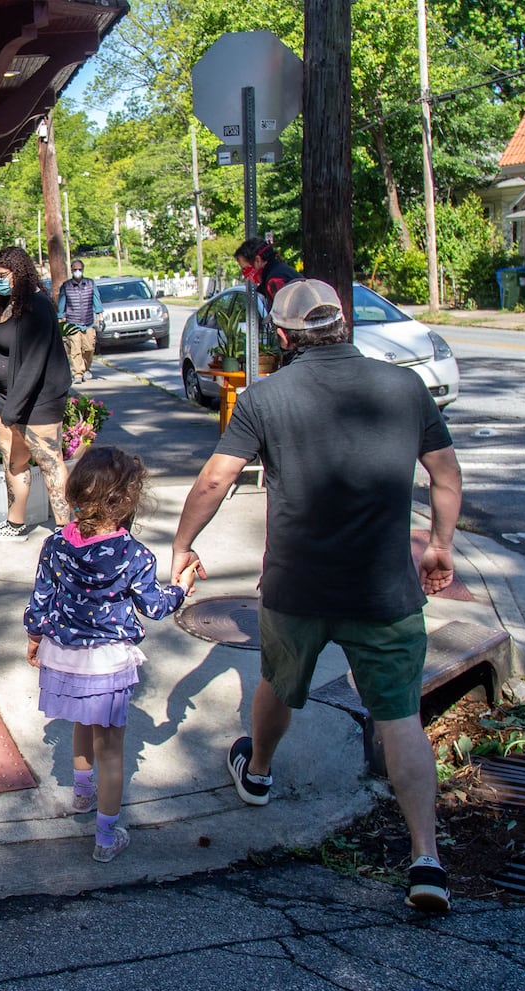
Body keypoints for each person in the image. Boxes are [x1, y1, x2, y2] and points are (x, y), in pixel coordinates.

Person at [170, 278, 463, 912]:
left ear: (281, 336)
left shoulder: (265, 397)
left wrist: (182, 545)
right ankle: (425, 860)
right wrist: (439, 544)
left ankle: (259, 773)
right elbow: (444, 472)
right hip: (385, 589)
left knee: (277, 680)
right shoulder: (405, 387)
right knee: (400, 717)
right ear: (344, 322)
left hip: (296, 585)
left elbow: (215, 480)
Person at [25, 447, 195, 863]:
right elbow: (154, 607)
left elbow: (41, 600)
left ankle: (82, 795)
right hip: (106, 660)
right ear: (127, 501)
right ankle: (105, 836)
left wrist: (34, 636)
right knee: (112, 749)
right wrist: (182, 587)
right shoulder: (133, 554)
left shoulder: (55, 545)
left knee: (82, 722)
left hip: (64, 652)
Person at [0, 246, 72, 541]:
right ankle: (15, 521)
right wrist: (1, 403)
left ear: (18, 274)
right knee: (13, 460)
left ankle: (64, 528)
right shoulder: (8, 305)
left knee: (49, 460)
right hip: (7, 399)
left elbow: (33, 363)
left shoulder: (38, 307)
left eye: (1, 275)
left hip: (39, 400)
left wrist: (13, 410)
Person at [56, 258, 105, 384]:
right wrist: (60, 319)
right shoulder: (66, 286)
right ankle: (78, 373)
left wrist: (101, 317)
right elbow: (61, 304)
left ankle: (86, 368)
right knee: (76, 349)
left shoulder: (90, 284)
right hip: (73, 322)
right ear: (71, 271)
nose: (77, 272)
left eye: (79, 269)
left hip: (88, 321)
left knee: (88, 348)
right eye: (75, 269)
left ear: (83, 270)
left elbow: (97, 301)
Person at [234, 236, 301, 311]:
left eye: (245, 269)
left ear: (258, 260)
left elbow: (286, 317)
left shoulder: (274, 281)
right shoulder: (282, 270)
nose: (245, 275)